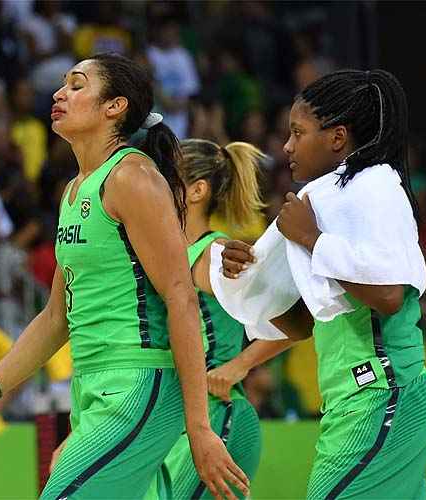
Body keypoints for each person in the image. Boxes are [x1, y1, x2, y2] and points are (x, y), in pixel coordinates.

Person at [0, 53, 248, 500]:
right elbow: (55, 318)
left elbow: (181, 299)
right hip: (93, 386)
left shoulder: (133, 177)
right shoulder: (75, 189)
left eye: (77, 85)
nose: (60, 93)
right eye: (62, 85)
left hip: (140, 384)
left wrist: (199, 429)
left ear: (114, 106)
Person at [221, 69, 426, 498]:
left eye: (298, 132)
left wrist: (310, 238)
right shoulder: (332, 196)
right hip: (359, 402)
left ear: (337, 137)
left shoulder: (373, 187)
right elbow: (305, 323)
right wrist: (246, 275)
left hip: (383, 397)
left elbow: (389, 295)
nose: (286, 146)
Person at [159, 139, 266, 498]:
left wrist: (239, 365)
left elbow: (299, 318)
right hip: (183, 422)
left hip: (219, 417)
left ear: (196, 191)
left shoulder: (216, 254)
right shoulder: (171, 254)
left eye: (165, 177)